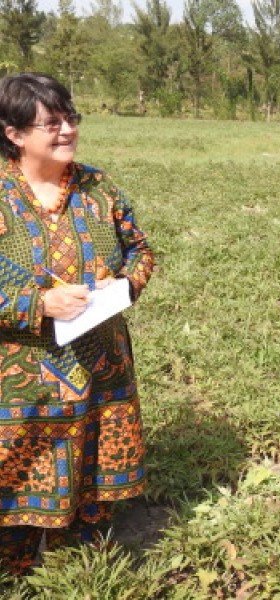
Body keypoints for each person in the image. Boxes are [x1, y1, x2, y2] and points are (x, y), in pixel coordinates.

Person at [0, 73, 154, 575]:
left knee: (92, 466)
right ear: (14, 133)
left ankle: (81, 563)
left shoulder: (97, 186)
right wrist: (38, 303)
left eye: (71, 118)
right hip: (22, 378)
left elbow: (139, 248)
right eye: (52, 122)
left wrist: (126, 286)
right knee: (19, 472)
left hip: (99, 361)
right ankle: (17, 565)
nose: (67, 130)